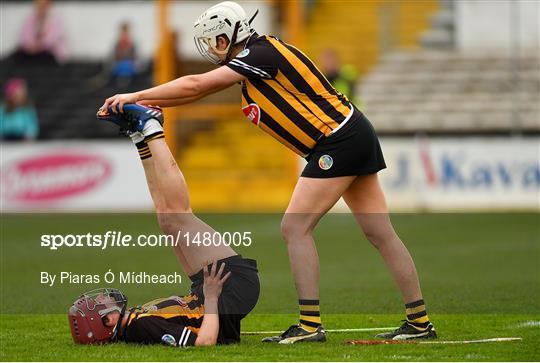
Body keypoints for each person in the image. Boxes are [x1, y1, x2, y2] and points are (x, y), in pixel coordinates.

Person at [100, 1, 436, 343]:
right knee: (380, 232)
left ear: (229, 35)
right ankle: (419, 321)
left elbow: (198, 85)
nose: (212, 49)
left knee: (295, 227)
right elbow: (196, 91)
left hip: (338, 140)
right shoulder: (255, 65)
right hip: (350, 132)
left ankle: (309, 326)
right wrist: (147, 103)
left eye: (215, 40)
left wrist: (137, 94)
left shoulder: (260, 53)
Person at [68, 104, 259, 346]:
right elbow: (205, 342)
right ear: (107, 322)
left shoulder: (134, 322)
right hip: (227, 289)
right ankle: (151, 126)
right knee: (180, 215)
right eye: (99, 305)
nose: (103, 297)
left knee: (166, 219)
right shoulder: (140, 327)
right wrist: (211, 298)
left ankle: (139, 138)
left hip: (210, 290)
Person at [11, 0, 66, 65]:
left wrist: (38, 46)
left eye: (44, 5)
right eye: (38, 4)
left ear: (49, 5)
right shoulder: (29, 19)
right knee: (17, 55)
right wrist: (30, 46)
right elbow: (23, 38)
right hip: (31, 52)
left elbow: (52, 40)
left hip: (48, 53)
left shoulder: (55, 20)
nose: (41, 7)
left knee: (44, 59)